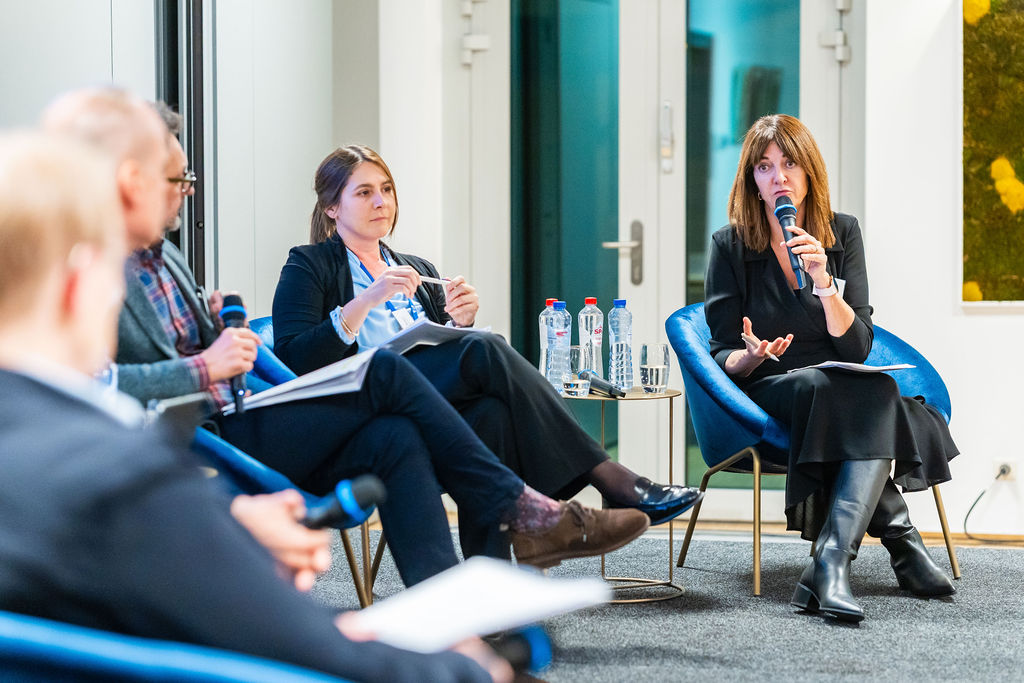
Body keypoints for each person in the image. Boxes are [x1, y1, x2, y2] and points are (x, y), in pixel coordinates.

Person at [0, 130, 509, 683]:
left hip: (243, 415)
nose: (186, 193)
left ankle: (456, 608)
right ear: (81, 286)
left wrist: (228, 517)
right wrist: (464, 671)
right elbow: (296, 646)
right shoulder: (126, 484)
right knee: (394, 378)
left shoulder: (53, 459)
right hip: (223, 429)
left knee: (396, 434)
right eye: (180, 180)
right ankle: (512, 506)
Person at [91, 94, 650, 587]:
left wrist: (211, 328)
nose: (186, 195)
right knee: (402, 367)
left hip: (271, 408)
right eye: (179, 181)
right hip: (212, 433)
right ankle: (547, 504)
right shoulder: (98, 268)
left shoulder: (164, 256)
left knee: (411, 429)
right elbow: (97, 382)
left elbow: (197, 349)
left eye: (386, 190)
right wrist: (205, 365)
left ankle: (468, 622)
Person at [271, 144, 703, 543]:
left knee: (491, 412)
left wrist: (459, 320)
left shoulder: (416, 268)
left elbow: (434, 342)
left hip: (425, 404)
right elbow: (295, 357)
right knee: (486, 348)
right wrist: (365, 301)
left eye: (386, 189)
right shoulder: (308, 264)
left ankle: (493, 570)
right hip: (365, 408)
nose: (381, 201)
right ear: (332, 207)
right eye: (364, 193)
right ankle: (609, 479)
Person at [705, 114, 957, 622]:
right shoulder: (729, 246)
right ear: (751, 181)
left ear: (809, 171)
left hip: (837, 384)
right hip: (770, 385)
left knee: (865, 388)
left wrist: (823, 280)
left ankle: (830, 560)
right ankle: (901, 539)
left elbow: (858, 347)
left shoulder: (842, 234)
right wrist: (750, 354)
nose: (778, 177)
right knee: (873, 397)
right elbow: (719, 354)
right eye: (764, 167)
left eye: (789, 163)